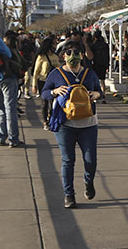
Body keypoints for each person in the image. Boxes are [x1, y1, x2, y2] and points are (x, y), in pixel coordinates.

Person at [41, 40, 105, 209]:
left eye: (76, 53)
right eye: (68, 53)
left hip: (88, 123)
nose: (72, 56)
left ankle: (88, 181)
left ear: (82, 55)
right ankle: (69, 195)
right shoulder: (56, 74)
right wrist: (54, 91)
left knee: (90, 160)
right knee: (68, 160)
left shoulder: (90, 74)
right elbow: (44, 93)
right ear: (63, 56)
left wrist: (96, 94)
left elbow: (100, 91)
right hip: (65, 123)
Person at [31, 36, 60, 130]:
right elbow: (36, 72)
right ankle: (45, 122)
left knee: (53, 102)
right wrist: (34, 85)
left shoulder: (55, 56)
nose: (55, 46)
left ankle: (51, 117)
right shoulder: (41, 57)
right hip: (42, 81)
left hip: (54, 82)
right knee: (44, 102)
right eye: (53, 44)